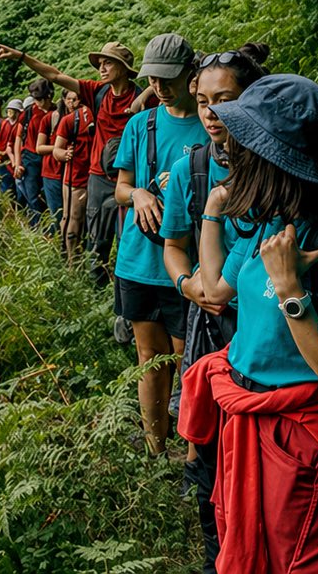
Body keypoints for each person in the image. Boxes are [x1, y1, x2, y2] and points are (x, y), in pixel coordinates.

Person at [180, 75, 318, 574]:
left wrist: (291, 290)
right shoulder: (270, 221)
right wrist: (212, 211)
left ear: (271, 160)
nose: (230, 151)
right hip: (246, 423)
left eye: (243, 143)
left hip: (303, 447)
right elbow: (217, 290)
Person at [158, 44, 271, 574]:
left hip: (272, 336)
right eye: (203, 100)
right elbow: (173, 243)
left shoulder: (282, 162)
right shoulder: (193, 169)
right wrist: (185, 285)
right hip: (211, 330)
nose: (210, 112)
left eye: (223, 99)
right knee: (210, 465)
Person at [111, 33, 206, 457]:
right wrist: (139, 195)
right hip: (138, 259)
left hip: (191, 262)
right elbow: (120, 187)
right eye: (153, 79)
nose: (161, 87)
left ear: (191, 73)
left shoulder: (211, 125)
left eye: (168, 78)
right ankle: (154, 447)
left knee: (191, 360)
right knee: (149, 357)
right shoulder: (140, 124)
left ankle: (193, 455)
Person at [0, 40, 153, 283]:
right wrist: (22, 56)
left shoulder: (142, 96)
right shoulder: (97, 92)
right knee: (98, 241)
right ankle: (95, 289)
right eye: (100, 63)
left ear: (122, 67)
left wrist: (145, 97)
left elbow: (171, 86)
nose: (101, 68)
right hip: (99, 177)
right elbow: (55, 75)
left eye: (108, 62)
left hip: (133, 178)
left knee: (129, 240)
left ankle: (124, 290)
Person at [51, 88, 94, 264]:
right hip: (75, 178)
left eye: (77, 99)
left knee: (85, 221)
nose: (74, 103)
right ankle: (71, 261)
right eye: (71, 99)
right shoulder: (69, 121)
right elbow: (56, 150)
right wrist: (64, 155)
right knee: (72, 218)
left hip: (97, 177)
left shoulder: (98, 116)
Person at [14, 78, 54, 225]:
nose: (37, 102)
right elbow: (18, 138)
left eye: (40, 99)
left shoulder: (57, 112)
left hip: (49, 158)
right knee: (32, 197)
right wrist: (18, 164)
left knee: (49, 197)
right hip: (30, 159)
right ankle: (37, 230)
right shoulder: (29, 113)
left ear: (49, 96)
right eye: (35, 99)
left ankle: (51, 229)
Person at [35, 89, 71, 241]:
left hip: (73, 173)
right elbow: (39, 147)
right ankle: (58, 248)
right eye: (69, 99)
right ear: (63, 99)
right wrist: (59, 148)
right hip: (52, 173)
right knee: (57, 213)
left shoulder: (81, 118)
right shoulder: (50, 119)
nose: (72, 103)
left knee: (71, 214)